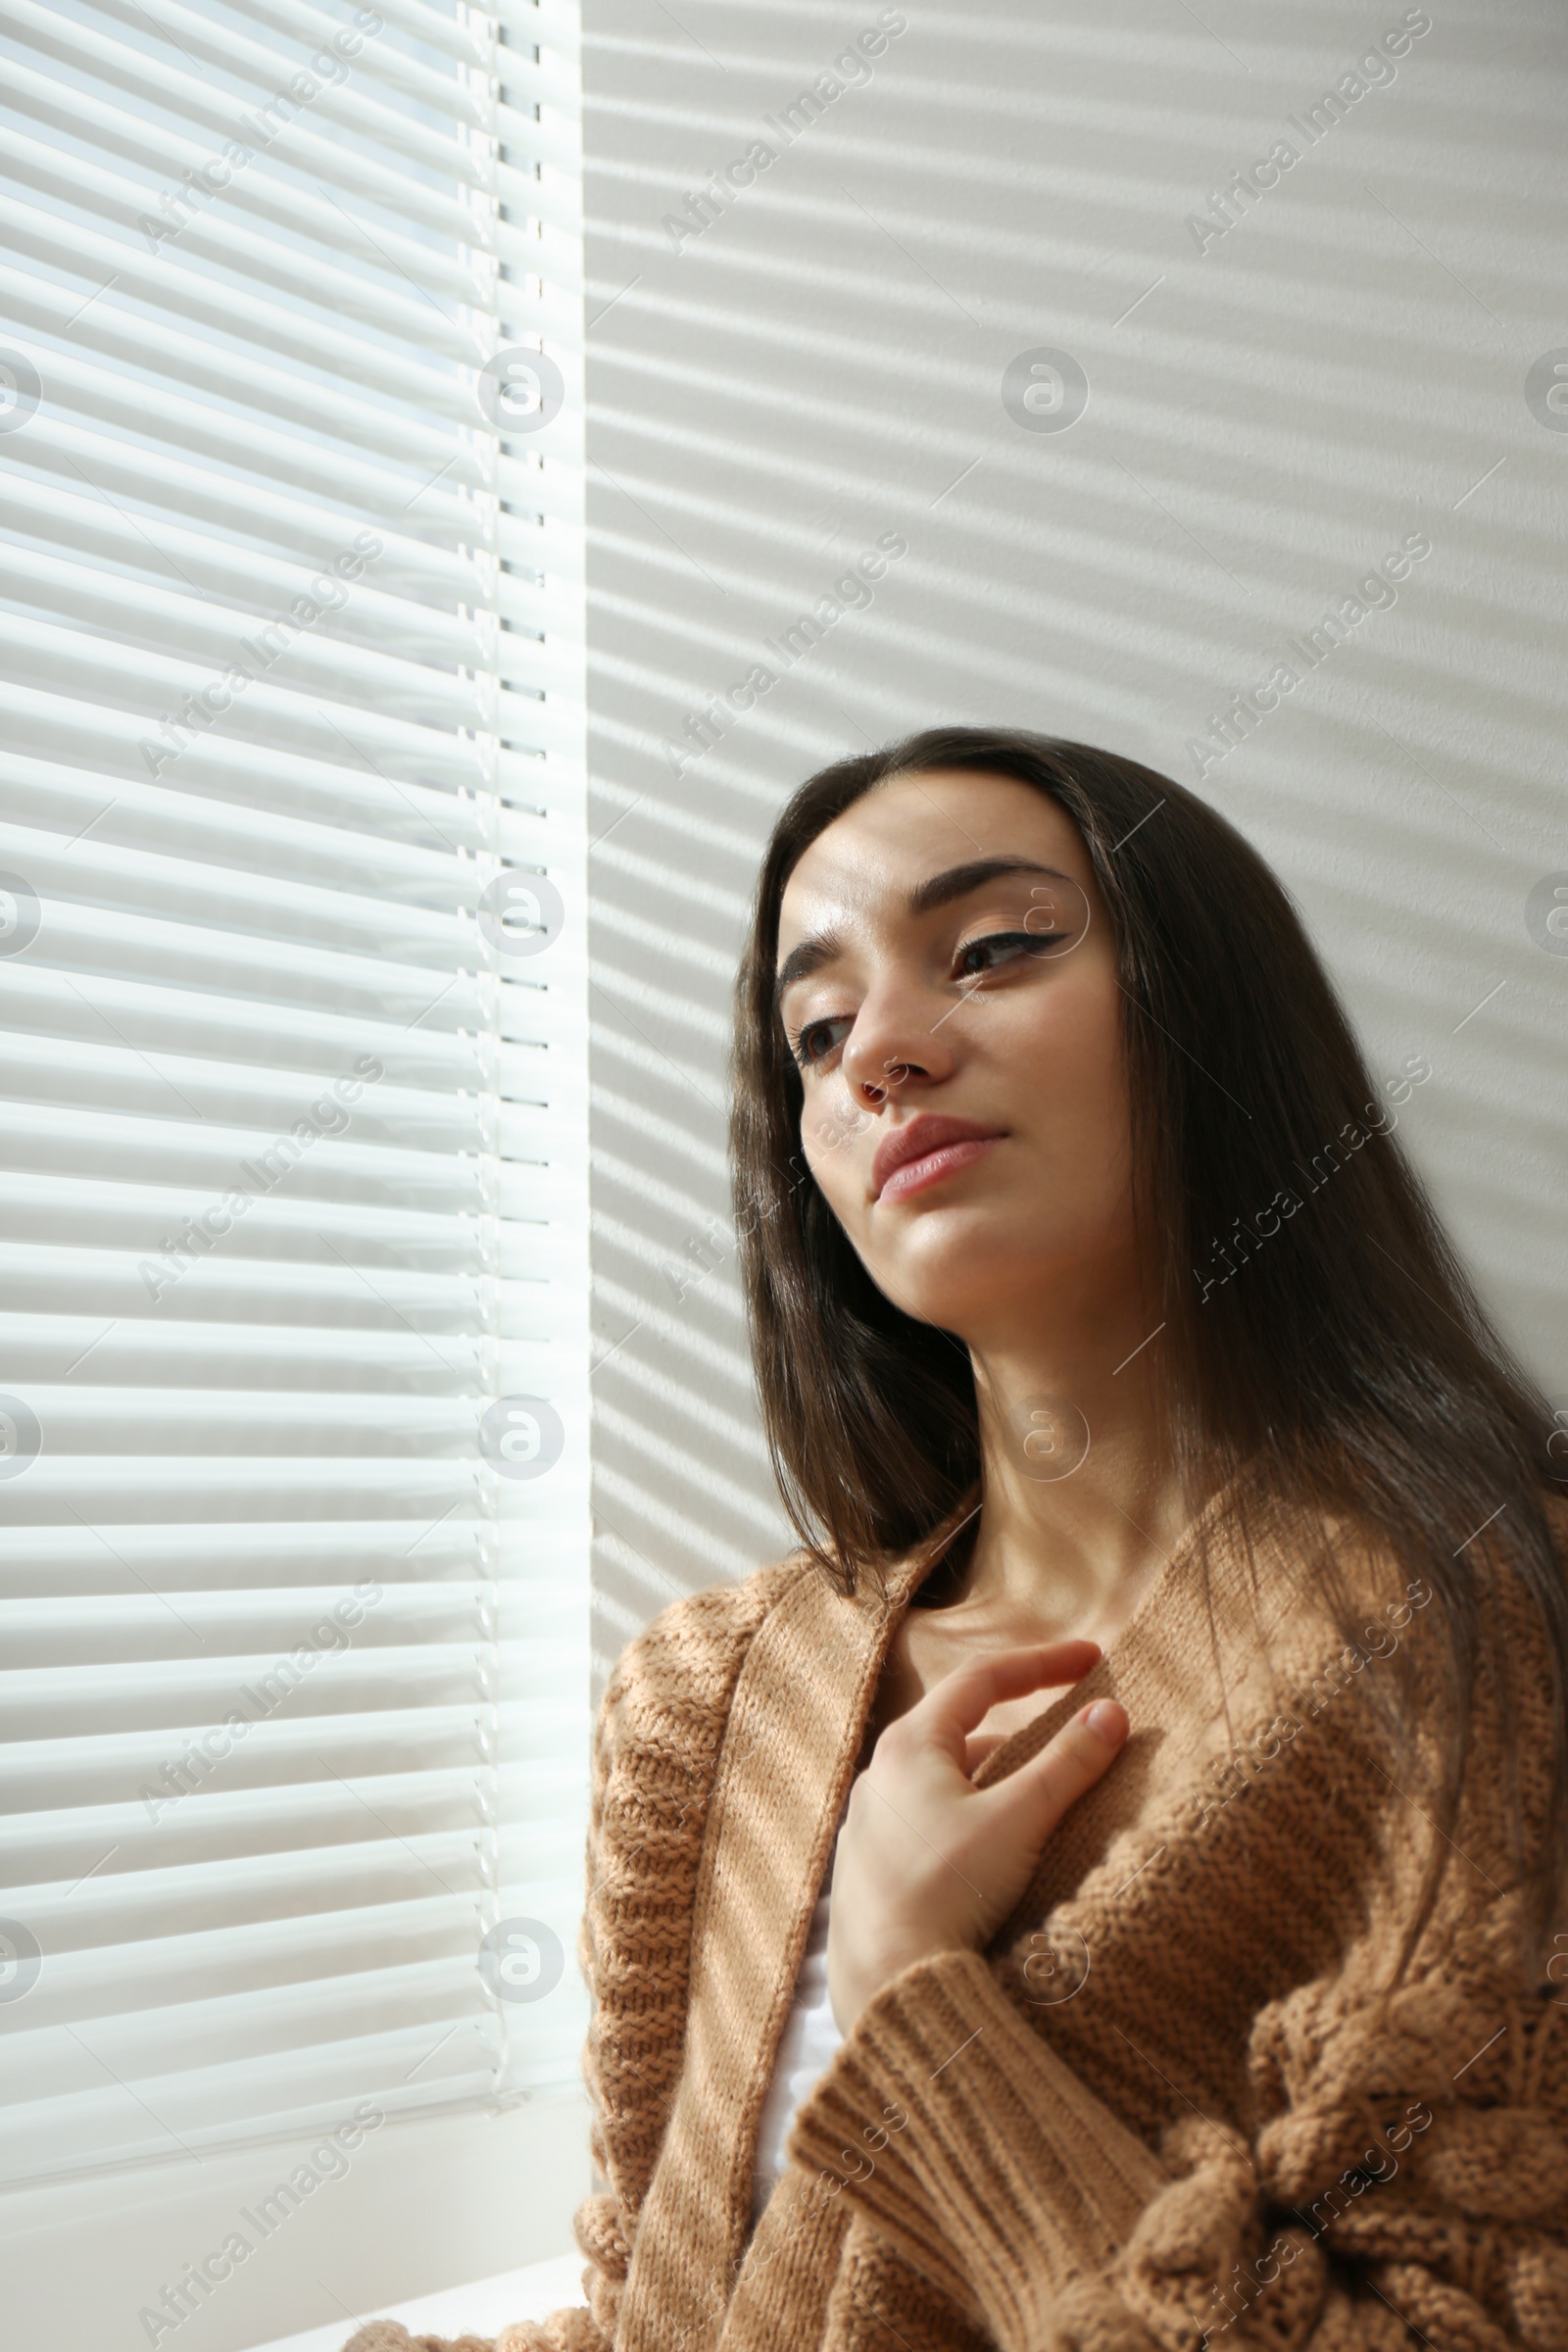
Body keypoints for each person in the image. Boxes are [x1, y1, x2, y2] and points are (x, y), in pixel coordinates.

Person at [352, 728, 1568, 2352]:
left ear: (1213, 1011)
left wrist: (917, 1992)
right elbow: (669, 2317)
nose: (883, 1056)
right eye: (818, 1028)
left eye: (990, 951)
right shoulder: (707, 1701)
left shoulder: (1487, 1627)